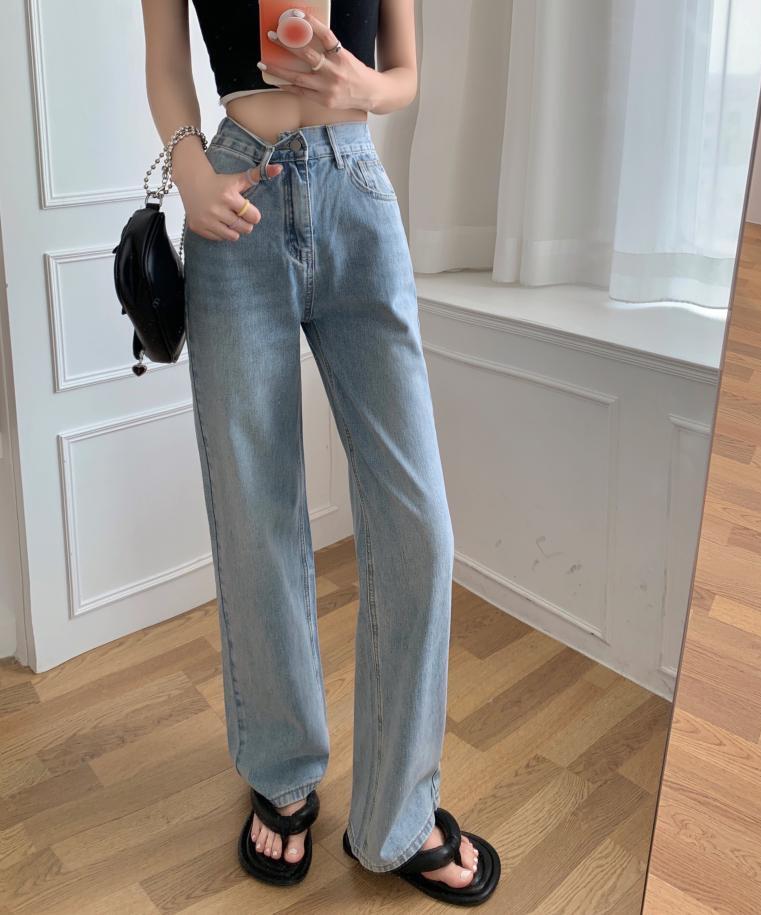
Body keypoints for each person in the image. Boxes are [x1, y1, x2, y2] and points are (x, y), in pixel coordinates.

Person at [140, 0, 500, 904]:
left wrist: (362, 84)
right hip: (235, 196)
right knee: (256, 514)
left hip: (357, 193)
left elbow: (405, 75)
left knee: (418, 523)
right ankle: (284, 772)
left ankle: (397, 814)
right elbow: (166, 62)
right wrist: (190, 171)